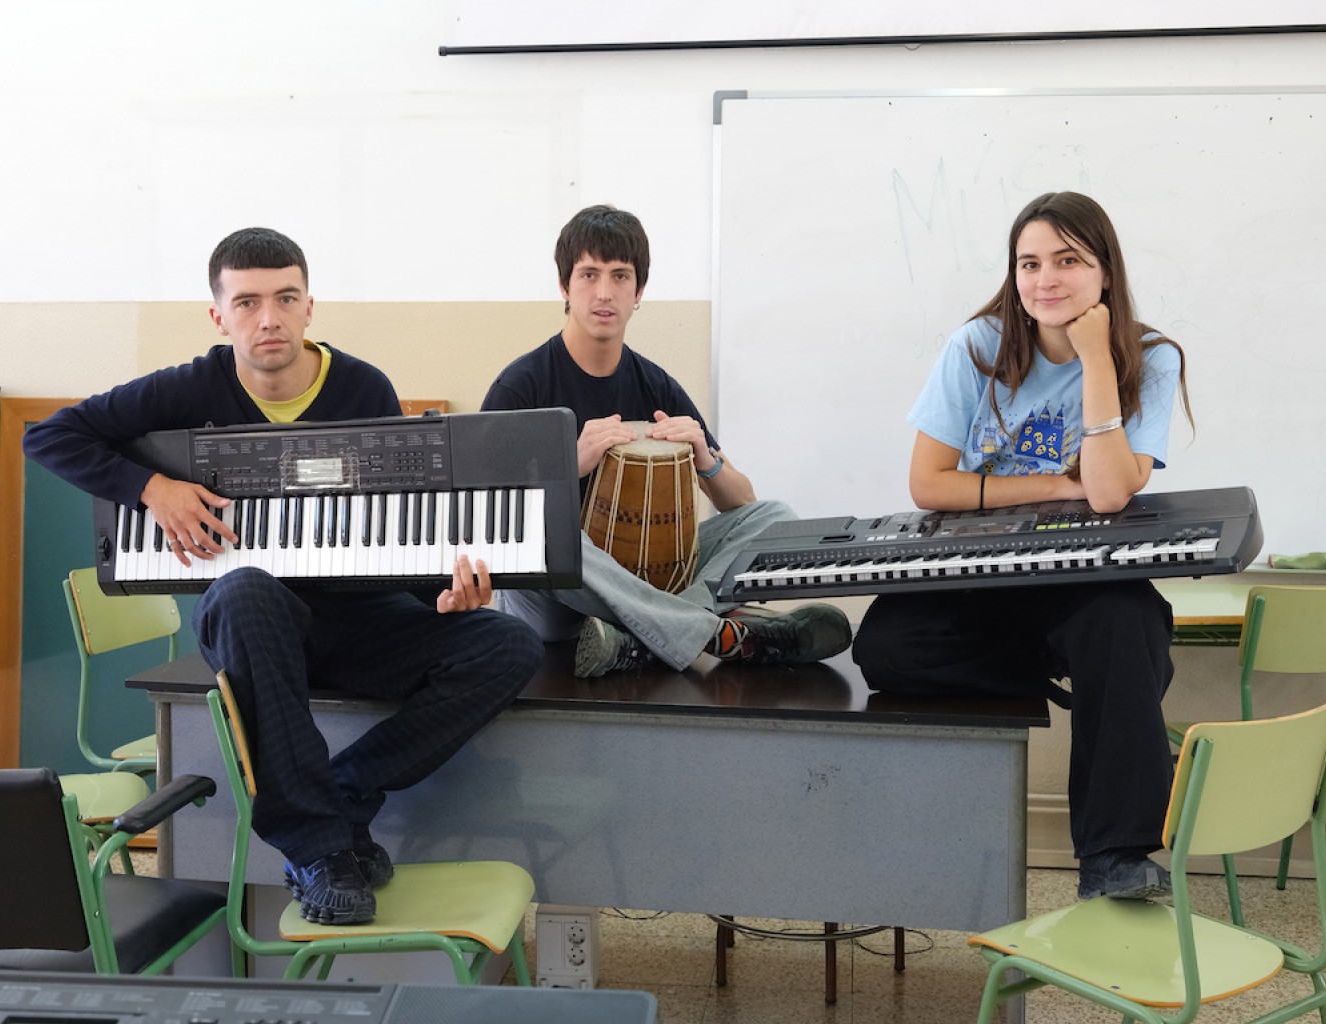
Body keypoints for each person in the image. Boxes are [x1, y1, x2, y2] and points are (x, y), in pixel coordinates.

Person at [23, 227, 543, 925]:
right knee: (243, 587)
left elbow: (393, 527)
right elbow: (49, 435)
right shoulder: (189, 387)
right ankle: (318, 848)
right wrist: (151, 488)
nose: (267, 318)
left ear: (308, 307)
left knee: (507, 643)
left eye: (285, 299)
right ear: (219, 315)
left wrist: (443, 593)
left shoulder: (363, 386)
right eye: (247, 302)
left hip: (362, 614)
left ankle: (344, 791)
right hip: (254, 620)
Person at [851, 191, 1192, 901]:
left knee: (1126, 625)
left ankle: (1114, 859)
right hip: (981, 572)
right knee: (885, 647)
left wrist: (1097, 361)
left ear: (1105, 273)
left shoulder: (1150, 358)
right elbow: (929, 483)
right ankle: (1080, 680)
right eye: (1029, 263)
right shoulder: (977, 346)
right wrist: (1050, 489)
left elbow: (1107, 494)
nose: (1046, 280)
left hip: (1083, 579)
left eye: (1068, 261)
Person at [482, 205, 851, 678]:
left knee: (776, 518)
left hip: (648, 575)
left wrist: (705, 459)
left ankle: (639, 638)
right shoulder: (522, 385)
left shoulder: (656, 385)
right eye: (589, 274)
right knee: (547, 538)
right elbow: (486, 515)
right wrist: (565, 465)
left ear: (639, 292)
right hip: (559, 605)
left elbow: (743, 502)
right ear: (564, 287)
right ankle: (709, 631)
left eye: (620, 276)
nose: (604, 292)